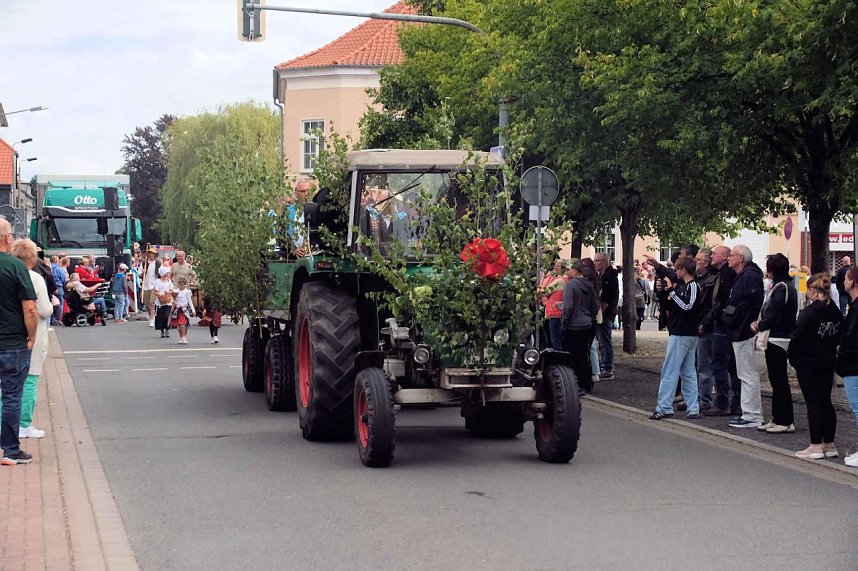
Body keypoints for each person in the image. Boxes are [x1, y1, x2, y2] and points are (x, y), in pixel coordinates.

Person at [789, 273, 843, 459]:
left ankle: (815, 445)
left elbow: (797, 337)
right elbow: (839, 334)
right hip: (828, 359)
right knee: (826, 401)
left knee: (813, 402)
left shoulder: (809, 313)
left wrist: (793, 358)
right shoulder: (835, 311)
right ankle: (829, 443)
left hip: (809, 361)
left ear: (812, 290)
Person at [0, 219, 39, 466]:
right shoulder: (16, 267)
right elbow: (31, 308)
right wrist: (32, 337)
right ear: (6, 238)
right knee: (12, 396)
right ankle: (10, 450)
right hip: (13, 343)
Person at [9, 239, 54, 439]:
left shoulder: (6, 275)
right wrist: (53, 304)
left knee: (7, 383)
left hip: (9, 334)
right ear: (33, 258)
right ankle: (24, 424)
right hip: (31, 334)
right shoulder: (35, 279)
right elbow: (43, 309)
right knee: (29, 379)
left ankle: (6, 424)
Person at [649, 257, 702, 420]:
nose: (676, 273)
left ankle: (664, 407)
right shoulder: (684, 287)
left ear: (683, 270)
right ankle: (693, 407)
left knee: (670, 370)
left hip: (683, 333)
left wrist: (671, 290)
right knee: (688, 372)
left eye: (678, 270)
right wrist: (663, 292)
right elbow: (673, 306)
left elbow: (687, 307)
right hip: (684, 333)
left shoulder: (692, 286)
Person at [751, 253, 798, 434]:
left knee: (779, 381)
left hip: (779, 337)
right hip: (778, 336)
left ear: (772, 271)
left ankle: (785, 420)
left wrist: (760, 325)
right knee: (776, 380)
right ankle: (778, 417)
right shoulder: (785, 286)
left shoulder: (782, 288)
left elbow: (774, 312)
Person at [722, 245, 764, 428]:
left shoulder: (749, 277)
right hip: (739, 329)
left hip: (743, 331)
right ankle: (749, 412)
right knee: (744, 373)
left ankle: (752, 414)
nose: (728, 258)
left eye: (731, 255)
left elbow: (752, 303)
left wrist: (738, 319)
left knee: (747, 373)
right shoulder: (745, 276)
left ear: (740, 258)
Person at [560, 258, 599, 394]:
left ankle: (575, 383)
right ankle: (586, 383)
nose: (567, 271)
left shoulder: (571, 286)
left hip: (573, 325)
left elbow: (568, 306)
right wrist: (590, 316)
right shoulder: (588, 285)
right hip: (587, 324)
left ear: (575, 271)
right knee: (584, 354)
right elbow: (595, 305)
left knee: (572, 355)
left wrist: (564, 321)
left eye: (569, 269)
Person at [837, 266, 858, 467]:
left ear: (852, 282)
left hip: (853, 364)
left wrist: (843, 355)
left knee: (857, 406)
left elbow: (852, 338)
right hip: (851, 363)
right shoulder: (853, 305)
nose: (843, 282)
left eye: (846, 279)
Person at [593, 253, 619, 380]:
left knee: (604, 341)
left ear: (605, 261)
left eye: (597, 261)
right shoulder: (603, 275)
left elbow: (607, 298)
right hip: (605, 313)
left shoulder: (609, 276)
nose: (595, 263)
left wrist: (600, 313)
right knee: (602, 341)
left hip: (606, 314)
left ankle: (608, 367)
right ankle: (605, 365)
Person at [538, 259, 569, 351]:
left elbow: (545, 291)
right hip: (560, 312)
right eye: (555, 264)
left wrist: (539, 291)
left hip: (554, 312)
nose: (555, 267)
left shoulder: (559, 281)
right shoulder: (567, 280)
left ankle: (557, 359)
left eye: (558, 265)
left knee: (555, 339)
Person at [170, 277, 196, 344]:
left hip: (184, 309)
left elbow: (190, 301)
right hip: (178, 309)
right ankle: (181, 337)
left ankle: (184, 336)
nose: (181, 286)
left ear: (185, 285)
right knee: (179, 325)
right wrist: (172, 309)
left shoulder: (187, 292)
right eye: (180, 285)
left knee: (183, 324)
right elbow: (174, 300)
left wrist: (193, 310)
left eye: (182, 285)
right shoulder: (176, 291)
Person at [141, 246, 161, 327]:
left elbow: (161, 273)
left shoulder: (158, 263)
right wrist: (143, 272)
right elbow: (140, 274)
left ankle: (152, 320)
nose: (151, 255)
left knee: (151, 303)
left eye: (153, 253)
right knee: (146, 304)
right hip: (146, 285)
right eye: (150, 253)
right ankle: (151, 317)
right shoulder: (144, 263)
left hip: (154, 285)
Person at [154, 266, 174, 338]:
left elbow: (172, 290)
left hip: (168, 301)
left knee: (166, 316)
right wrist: (160, 294)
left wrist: (168, 292)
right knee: (160, 317)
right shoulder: (157, 281)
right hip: (160, 302)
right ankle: (162, 330)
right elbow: (155, 291)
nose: (168, 274)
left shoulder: (169, 281)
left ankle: (167, 328)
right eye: (167, 272)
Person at [50, 255, 67, 326]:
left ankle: (51, 319)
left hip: (50, 287)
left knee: (51, 303)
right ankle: (58, 319)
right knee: (60, 303)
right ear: (57, 261)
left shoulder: (48, 268)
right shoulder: (59, 269)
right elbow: (63, 279)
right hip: (59, 287)